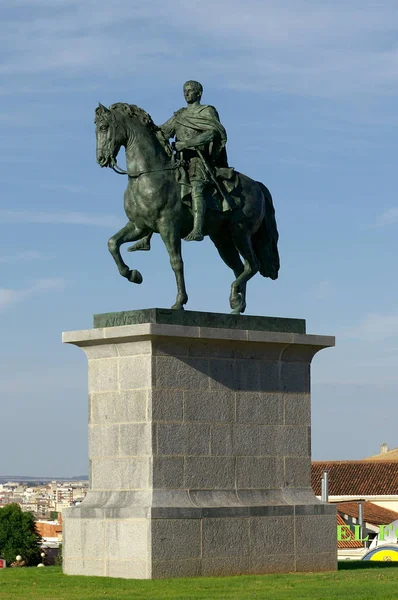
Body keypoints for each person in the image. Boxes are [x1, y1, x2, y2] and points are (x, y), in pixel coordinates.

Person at [160, 80, 228, 241]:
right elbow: (163, 132)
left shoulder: (207, 111)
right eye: (184, 90)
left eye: (190, 90)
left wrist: (186, 144)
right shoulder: (180, 114)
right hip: (178, 161)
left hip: (199, 159)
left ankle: (197, 229)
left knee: (197, 188)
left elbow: (212, 133)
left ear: (198, 93)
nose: (186, 93)